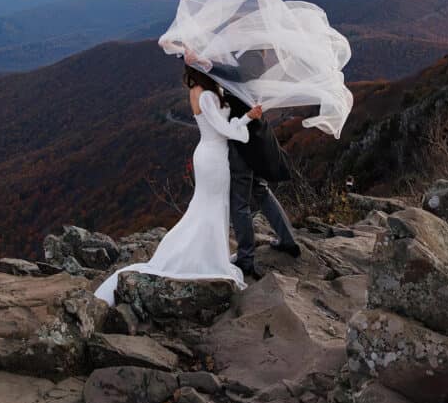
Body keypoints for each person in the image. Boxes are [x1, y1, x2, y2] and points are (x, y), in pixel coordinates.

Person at [93, 65, 264, 306]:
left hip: (211, 154)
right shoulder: (205, 95)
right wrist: (248, 118)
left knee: (210, 206)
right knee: (212, 206)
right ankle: (205, 258)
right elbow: (223, 129)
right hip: (213, 157)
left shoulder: (202, 90)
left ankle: (208, 254)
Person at [185, 48, 301, 280]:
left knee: (240, 202)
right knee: (259, 189)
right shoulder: (247, 57)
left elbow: (239, 74)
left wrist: (207, 64)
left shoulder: (252, 59)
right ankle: (287, 239)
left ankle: (246, 258)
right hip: (251, 135)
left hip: (243, 141)